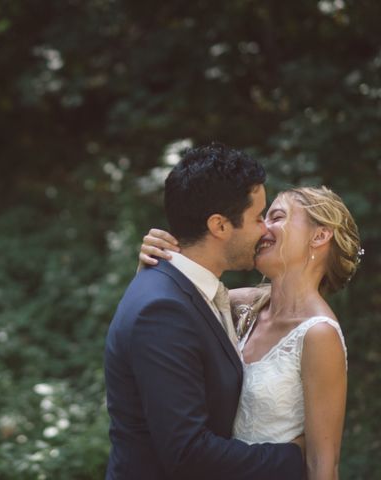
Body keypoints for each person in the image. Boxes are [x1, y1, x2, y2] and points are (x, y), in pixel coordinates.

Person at [104, 144, 305, 480]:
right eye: (258, 217)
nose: (265, 230)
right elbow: (188, 454)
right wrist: (297, 456)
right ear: (220, 226)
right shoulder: (163, 309)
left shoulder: (198, 291)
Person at [138, 185, 361, 480]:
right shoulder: (237, 304)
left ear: (319, 236)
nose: (262, 228)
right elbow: (163, 312)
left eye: (277, 217)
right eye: (263, 218)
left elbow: (323, 465)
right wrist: (151, 266)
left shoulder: (319, 335)